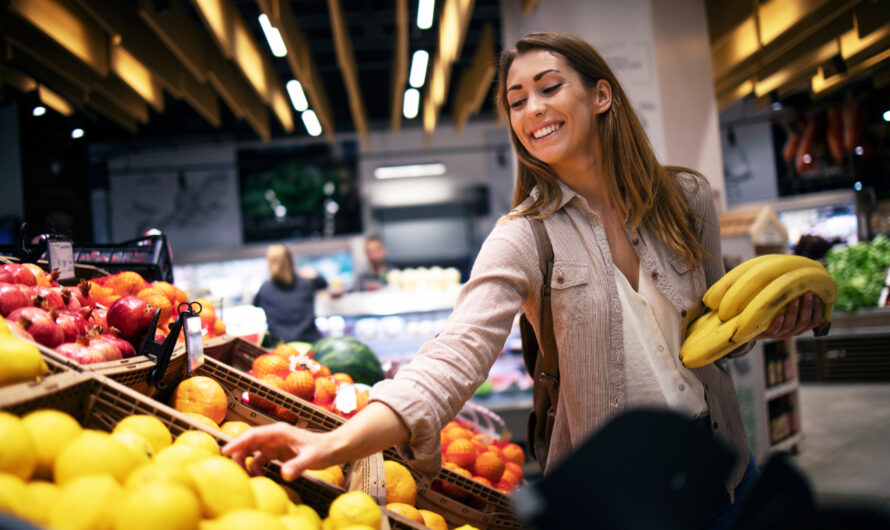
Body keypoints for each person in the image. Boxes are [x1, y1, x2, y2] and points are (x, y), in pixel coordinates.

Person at [225, 33, 825, 528]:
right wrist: (339, 440)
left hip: (723, 469)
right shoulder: (524, 237)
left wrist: (776, 321)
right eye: (516, 100)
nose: (531, 108)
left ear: (601, 96)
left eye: (548, 87)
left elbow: (717, 330)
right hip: (616, 501)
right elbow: (456, 355)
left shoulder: (686, 199)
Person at [253, 244, 328, 345]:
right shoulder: (306, 283)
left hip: (280, 347)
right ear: (291, 261)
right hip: (311, 343)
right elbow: (323, 283)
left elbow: (255, 304)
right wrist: (313, 273)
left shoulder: (265, 289)